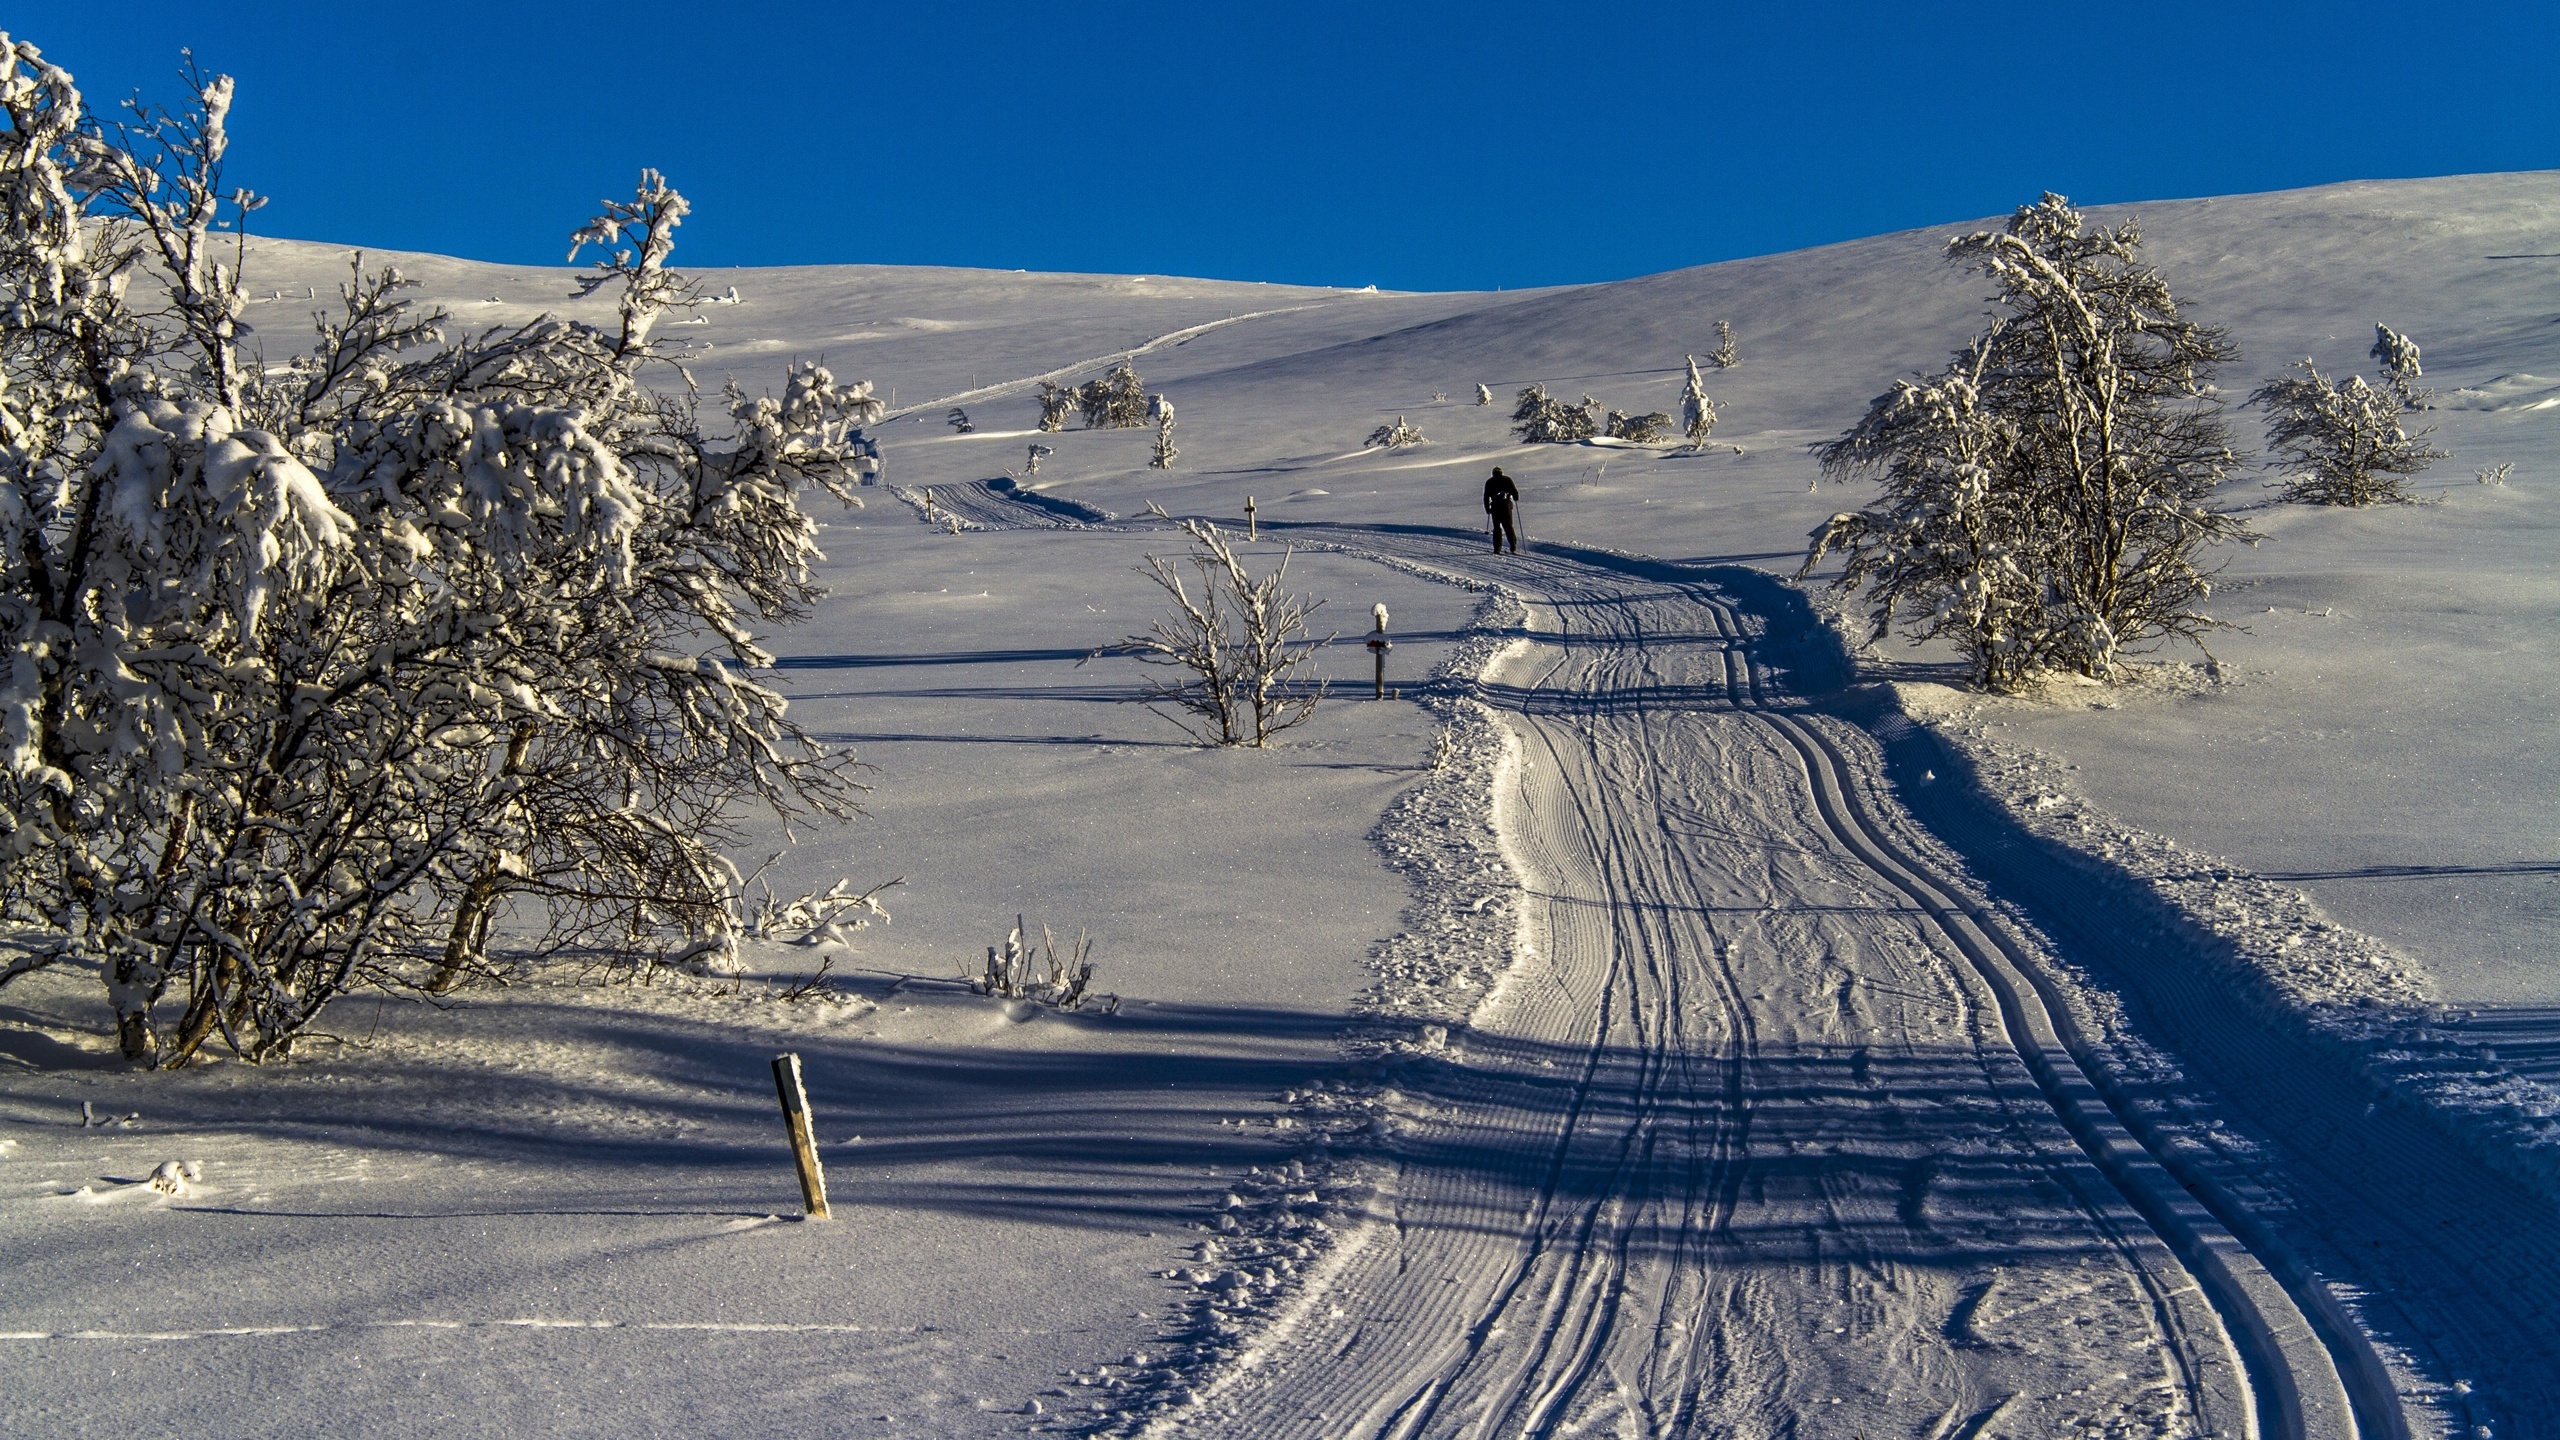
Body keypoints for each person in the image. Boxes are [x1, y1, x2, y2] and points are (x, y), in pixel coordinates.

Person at [1483, 466, 1520, 554]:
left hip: (1495, 507)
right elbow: (1515, 493)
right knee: (1508, 526)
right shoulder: (1507, 479)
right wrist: (1515, 498)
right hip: (1506, 506)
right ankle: (1513, 545)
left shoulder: (1489, 481)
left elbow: (1486, 496)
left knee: (1497, 528)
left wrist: (1487, 508)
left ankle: (1497, 548)